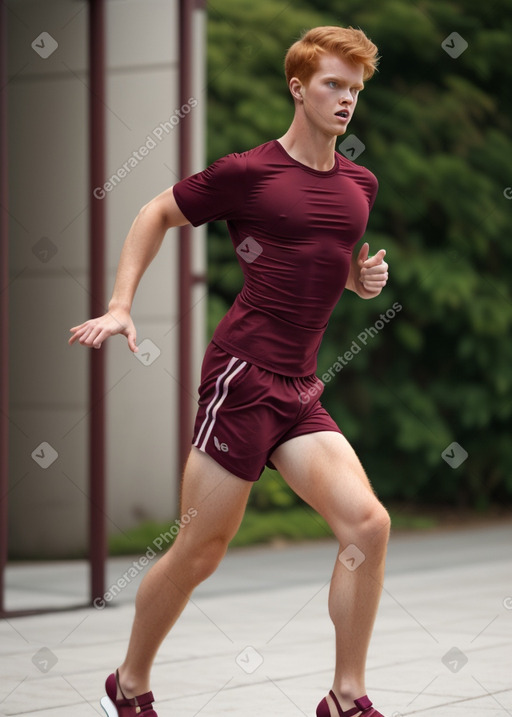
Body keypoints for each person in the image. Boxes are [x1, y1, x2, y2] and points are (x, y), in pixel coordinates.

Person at [70, 25, 390, 717]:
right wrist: (121, 304)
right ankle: (127, 685)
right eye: (334, 85)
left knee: (367, 526)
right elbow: (156, 211)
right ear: (298, 88)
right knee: (200, 550)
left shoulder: (360, 184)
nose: (346, 100)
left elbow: (321, 268)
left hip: (300, 389)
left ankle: (345, 696)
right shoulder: (249, 173)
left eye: (356, 90)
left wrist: (362, 285)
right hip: (241, 380)